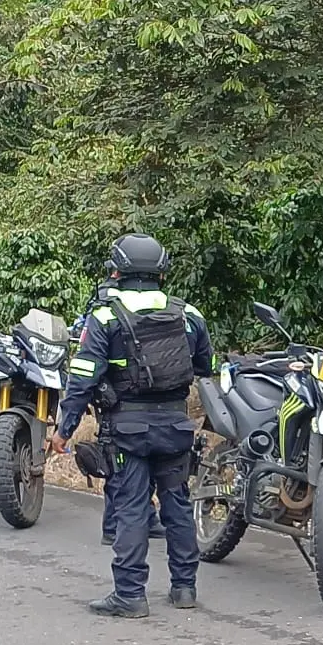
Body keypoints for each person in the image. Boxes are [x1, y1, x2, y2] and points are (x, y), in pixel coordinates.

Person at [49, 234, 210, 617]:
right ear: (162, 272)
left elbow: (82, 379)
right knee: (177, 505)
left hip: (127, 430)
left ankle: (130, 595)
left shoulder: (105, 316)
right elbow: (205, 366)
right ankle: (185, 589)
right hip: (175, 426)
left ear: (117, 270)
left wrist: (63, 430)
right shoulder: (189, 314)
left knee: (132, 508)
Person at [74, 279, 162, 547]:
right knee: (118, 465)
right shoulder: (105, 306)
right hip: (115, 399)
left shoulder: (109, 304)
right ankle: (113, 525)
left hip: (124, 398)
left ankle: (144, 517)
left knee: (130, 465)